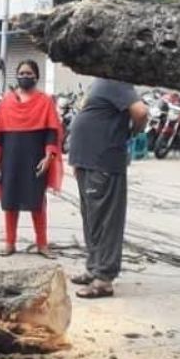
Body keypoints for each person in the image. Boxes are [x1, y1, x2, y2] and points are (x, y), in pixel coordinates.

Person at [68, 77, 148, 298]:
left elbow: (140, 112)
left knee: (106, 220)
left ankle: (104, 278)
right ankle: (94, 267)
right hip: (86, 160)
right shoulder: (99, 82)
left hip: (103, 160)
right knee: (92, 218)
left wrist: (133, 131)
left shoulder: (116, 81)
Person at [0, 60, 63, 259]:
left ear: (36, 77)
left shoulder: (45, 101)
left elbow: (52, 132)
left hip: (35, 158)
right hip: (10, 159)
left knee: (37, 202)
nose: (25, 77)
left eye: (29, 73)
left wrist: (49, 155)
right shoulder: (6, 102)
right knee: (10, 201)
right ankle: (9, 243)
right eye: (21, 73)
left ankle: (42, 244)